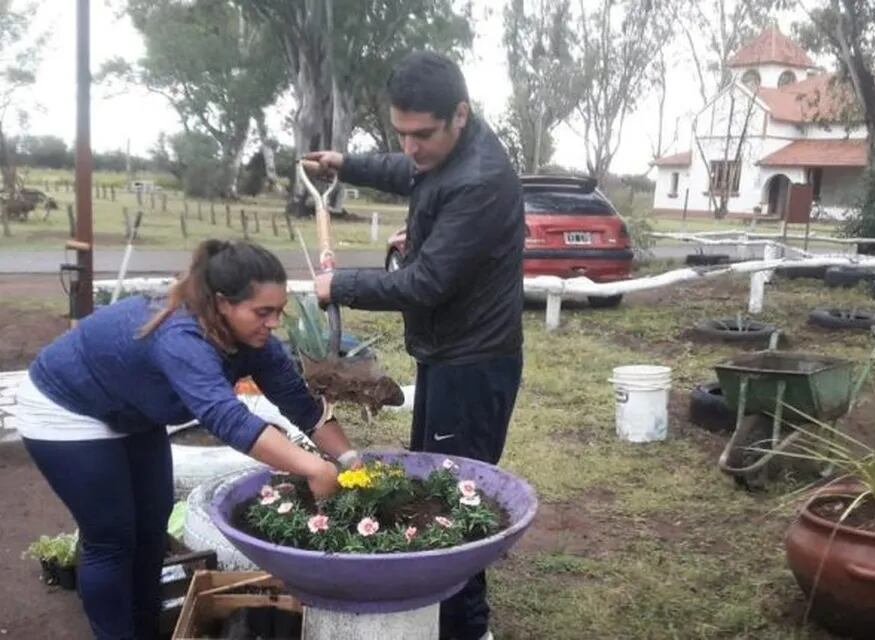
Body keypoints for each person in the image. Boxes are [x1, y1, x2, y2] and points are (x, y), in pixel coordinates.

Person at [16, 240, 359, 640]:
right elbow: (225, 417)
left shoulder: (254, 340)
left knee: (151, 527)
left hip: (132, 411)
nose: (273, 323)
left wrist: (349, 457)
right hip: (66, 407)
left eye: (278, 312)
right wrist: (313, 466)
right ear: (222, 304)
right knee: (111, 537)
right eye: (262, 312)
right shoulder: (180, 335)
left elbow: (301, 405)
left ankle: (145, 630)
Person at [303, 51, 524, 640]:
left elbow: (425, 284)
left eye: (421, 134)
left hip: (473, 365)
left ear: (460, 115)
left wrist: (339, 285)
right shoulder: (445, 153)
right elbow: (410, 172)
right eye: (400, 133)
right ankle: (442, 612)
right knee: (433, 483)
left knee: (453, 495)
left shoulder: (479, 179)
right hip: (448, 355)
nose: (411, 147)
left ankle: (466, 628)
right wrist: (346, 164)